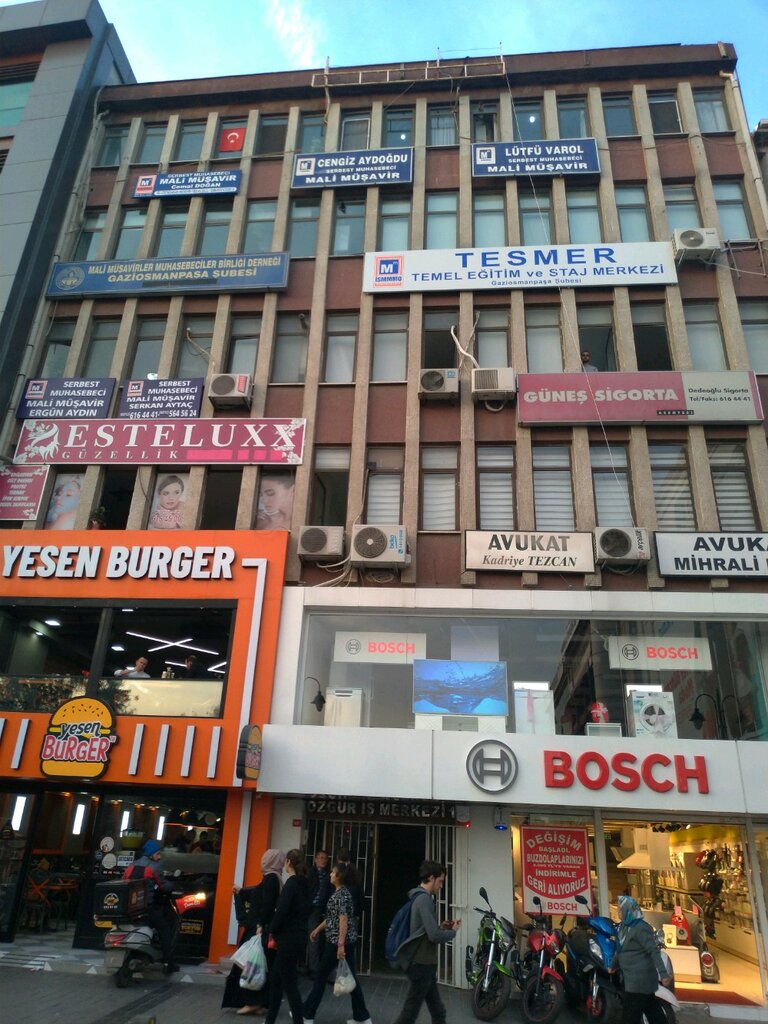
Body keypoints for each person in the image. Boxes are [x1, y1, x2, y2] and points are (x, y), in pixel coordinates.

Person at [392, 860, 460, 1024]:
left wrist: (440, 926)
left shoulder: (420, 897)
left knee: (438, 1012)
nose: (441, 886)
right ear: (431, 878)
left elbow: (425, 929)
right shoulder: (424, 900)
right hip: (422, 964)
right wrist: (452, 932)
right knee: (410, 1014)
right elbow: (434, 936)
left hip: (425, 964)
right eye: (440, 881)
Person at [303, 863, 372, 1024]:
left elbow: (343, 920)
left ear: (339, 876)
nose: (330, 875)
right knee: (351, 978)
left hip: (336, 943)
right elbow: (333, 918)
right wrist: (318, 929)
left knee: (320, 976)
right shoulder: (341, 893)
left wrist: (340, 945)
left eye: (333, 873)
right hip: (343, 941)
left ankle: (307, 1014)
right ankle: (362, 1017)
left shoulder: (341, 895)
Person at [222, 847, 285, 1016]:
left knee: (248, 965)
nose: (262, 861)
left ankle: (252, 1002)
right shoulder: (273, 878)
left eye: (266, 858)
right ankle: (257, 1002)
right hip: (260, 928)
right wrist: (242, 891)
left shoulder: (271, 878)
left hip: (258, 930)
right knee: (257, 965)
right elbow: (260, 897)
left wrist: (260, 924)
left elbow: (267, 904)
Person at [263, 849, 311, 1024]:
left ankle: (298, 1020)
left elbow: (282, 911)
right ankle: (270, 1020)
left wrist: (272, 929)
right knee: (276, 980)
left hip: (287, 940)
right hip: (298, 937)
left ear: (288, 862)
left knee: (289, 984)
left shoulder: (291, 884)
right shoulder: (305, 884)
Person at [123, 838, 178, 973]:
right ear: (152, 854)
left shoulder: (130, 866)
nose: (159, 857)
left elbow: (124, 882)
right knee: (164, 929)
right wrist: (174, 884)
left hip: (130, 909)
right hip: (148, 908)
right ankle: (167, 964)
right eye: (158, 854)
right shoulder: (154, 867)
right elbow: (164, 886)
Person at [615, 895, 672, 1024]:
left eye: (620, 910)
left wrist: (663, 974)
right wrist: (613, 965)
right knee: (653, 1011)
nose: (618, 913)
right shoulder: (625, 927)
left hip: (639, 980)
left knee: (631, 1016)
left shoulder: (641, 928)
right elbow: (620, 950)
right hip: (633, 979)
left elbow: (654, 951)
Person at [306, 849, 331, 978]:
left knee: (319, 939)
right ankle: (313, 969)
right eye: (320, 858)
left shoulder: (329, 874)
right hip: (311, 909)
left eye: (325, 858)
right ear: (315, 859)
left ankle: (316, 967)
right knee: (313, 938)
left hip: (323, 909)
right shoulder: (310, 873)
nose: (323, 860)